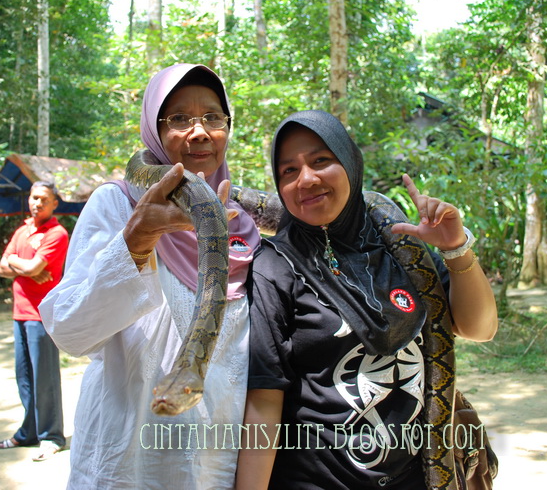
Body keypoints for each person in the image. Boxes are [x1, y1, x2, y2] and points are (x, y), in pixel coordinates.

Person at [235, 110, 499, 489]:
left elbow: (480, 328)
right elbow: (264, 400)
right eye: (288, 170)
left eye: (321, 160)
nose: (306, 179)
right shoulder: (273, 267)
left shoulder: (400, 244)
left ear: (350, 163)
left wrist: (457, 249)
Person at [40, 63, 261, 489]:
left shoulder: (244, 226)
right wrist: (137, 239)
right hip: (128, 462)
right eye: (178, 118)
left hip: (218, 461)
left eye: (213, 117)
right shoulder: (118, 205)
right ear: (153, 130)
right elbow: (69, 331)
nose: (199, 132)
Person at [0, 181, 69, 462]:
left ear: (54, 204)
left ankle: (51, 436)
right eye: (33, 198)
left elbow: (30, 266)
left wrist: (19, 264)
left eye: (43, 199)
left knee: (44, 377)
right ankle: (28, 432)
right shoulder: (23, 230)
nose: (37, 203)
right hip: (19, 313)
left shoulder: (57, 233)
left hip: (42, 314)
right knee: (24, 377)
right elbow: (2, 267)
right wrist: (23, 267)